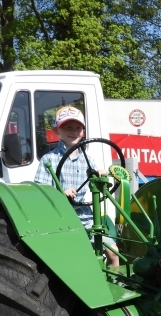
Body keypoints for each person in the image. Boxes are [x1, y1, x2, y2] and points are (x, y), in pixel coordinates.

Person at [35, 105, 119, 266]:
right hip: (59, 216)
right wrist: (60, 193)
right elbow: (42, 193)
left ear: (83, 132)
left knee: (114, 253)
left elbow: (97, 186)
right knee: (75, 258)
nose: (74, 132)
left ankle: (113, 279)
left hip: (85, 216)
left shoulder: (88, 159)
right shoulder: (49, 159)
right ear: (56, 130)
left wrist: (100, 176)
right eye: (68, 127)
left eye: (78, 128)